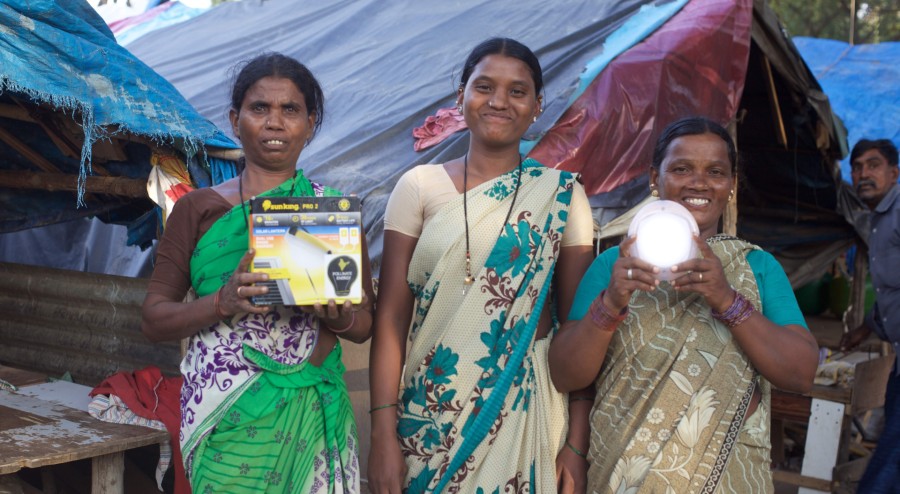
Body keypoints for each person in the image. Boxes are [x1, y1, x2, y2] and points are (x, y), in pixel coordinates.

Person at [367, 38, 595, 493]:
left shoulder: (562, 196)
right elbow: (391, 318)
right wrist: (381, 433)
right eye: (485, 86)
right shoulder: (419, 187)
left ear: (536, 107)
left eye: (517, 91)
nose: (499, 101)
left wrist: (577, 444)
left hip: (524, 414)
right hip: (425, 417)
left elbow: (578, 329)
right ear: (461, 98)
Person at [141, 53, 374, 493]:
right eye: (259, 108)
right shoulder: (199, 208)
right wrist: (220, 303)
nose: (274, 122)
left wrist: (335, 315)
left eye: (290, 110)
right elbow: (153, 319)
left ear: (310, 122)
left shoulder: (333, 213)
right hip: (226, 415)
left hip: (311, 411)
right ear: (235, 119)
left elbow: (363, 325)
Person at [548, 116, 819, 493]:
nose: (699, 182)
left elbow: (801, 373)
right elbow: (565, 374)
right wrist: (610, 303)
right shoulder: (614, 267)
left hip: (727, 478)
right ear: (654, 178)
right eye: (681, 168)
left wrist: (726, 299)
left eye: (716, 171)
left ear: (732, 184)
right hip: (623, 476)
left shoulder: (755, 267)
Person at [839, 138, 900, 493]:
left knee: (889, 462)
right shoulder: (878, 221)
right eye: (857, 167)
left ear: (894, 173)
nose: (863, 174)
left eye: (873, 166)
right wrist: (866, 328)